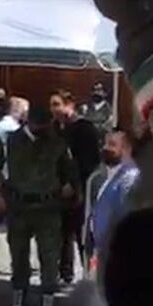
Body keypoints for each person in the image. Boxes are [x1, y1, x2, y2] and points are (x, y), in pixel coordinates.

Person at [0, 106, 80, 306]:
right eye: (40, 126)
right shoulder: (9, 142)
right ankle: (18, 304)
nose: (44, 130)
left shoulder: (56, 143)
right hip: (19, 207)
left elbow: (70, 170)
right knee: (18, 255)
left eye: (47, 126)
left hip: (48, 207)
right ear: (29, 123)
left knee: (49, 258)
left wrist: (72, 187)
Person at [49, 89, 101, 283]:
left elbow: (89, 160)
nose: (53, 109)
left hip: (81, 188)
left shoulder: (84, 128)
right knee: (62, 233)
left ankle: (90, 273)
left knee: (83, 233)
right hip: (58, 187)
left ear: (69, 104)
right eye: (52, 105)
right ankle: (65, 272)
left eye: (57, 104)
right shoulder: (54, 128)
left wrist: (75, 183)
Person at [87, 128, 139, 271]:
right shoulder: (110, 176)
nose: (105, 148)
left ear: (127, 149)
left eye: (112, 144)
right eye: (105, 143)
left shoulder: (130, 179)